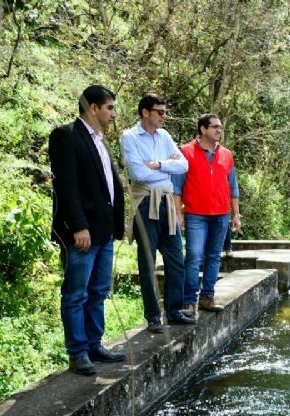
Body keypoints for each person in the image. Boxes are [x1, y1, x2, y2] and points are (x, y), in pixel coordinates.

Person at [49, 85, 126, 376]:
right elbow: (66, 186)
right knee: (75, 294)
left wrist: (117, 226)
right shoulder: (67, 136)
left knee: (98, 291)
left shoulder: (101, 141)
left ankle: (94, 344)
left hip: (103, 232)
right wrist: (78, 226)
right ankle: (78, 351)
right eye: (109, 108)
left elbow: (108, 188)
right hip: (81, 233)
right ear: (93, 108)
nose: (113, 114)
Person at [120, 94, 196, 333]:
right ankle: (153, 316)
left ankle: (173, 312)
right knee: (147, 261)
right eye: (160, 112)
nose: (164, 116)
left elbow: (183, 165)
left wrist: (159, 165)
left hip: (166, 201)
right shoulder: (129, 137)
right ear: (145, 112)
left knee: (176, 258)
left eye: (165, 112)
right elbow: (138, 173)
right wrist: (163, 167)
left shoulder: (164, 136)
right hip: (145, 202)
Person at [173, 113, 242, 317]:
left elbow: (233, 187)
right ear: (203, 129)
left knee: (214, 257)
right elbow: (176, 188)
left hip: (221, 215)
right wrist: (178, 213)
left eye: (220, 127)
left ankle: (207, 297)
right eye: (215, 127)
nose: (219, 130)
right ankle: (188, 302)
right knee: (194, 256)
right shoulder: (185, 152)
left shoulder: (227, 154)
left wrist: (236, 215)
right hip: (196, 214)